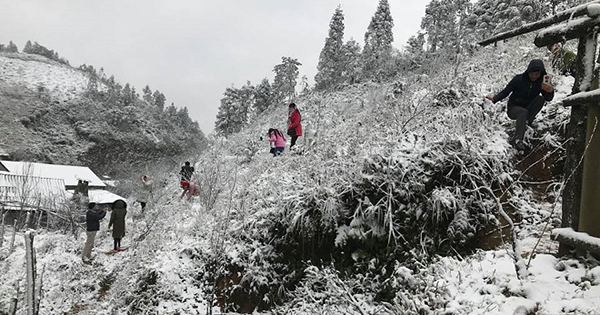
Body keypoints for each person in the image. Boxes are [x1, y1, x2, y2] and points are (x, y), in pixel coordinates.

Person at [485, 59, 554, 151]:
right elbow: (506, 91)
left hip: (528, 108)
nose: (534, 76)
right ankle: (517, 139)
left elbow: (548, 98)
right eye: (532, 73)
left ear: (541, 73)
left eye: (537, 74)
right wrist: (494, 98)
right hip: (513, 108)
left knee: (540, 99)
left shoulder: (541, 82)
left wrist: (550, 90)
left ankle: (527, 121)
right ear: (528, 72)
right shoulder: (519, 79)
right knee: (523, 112)